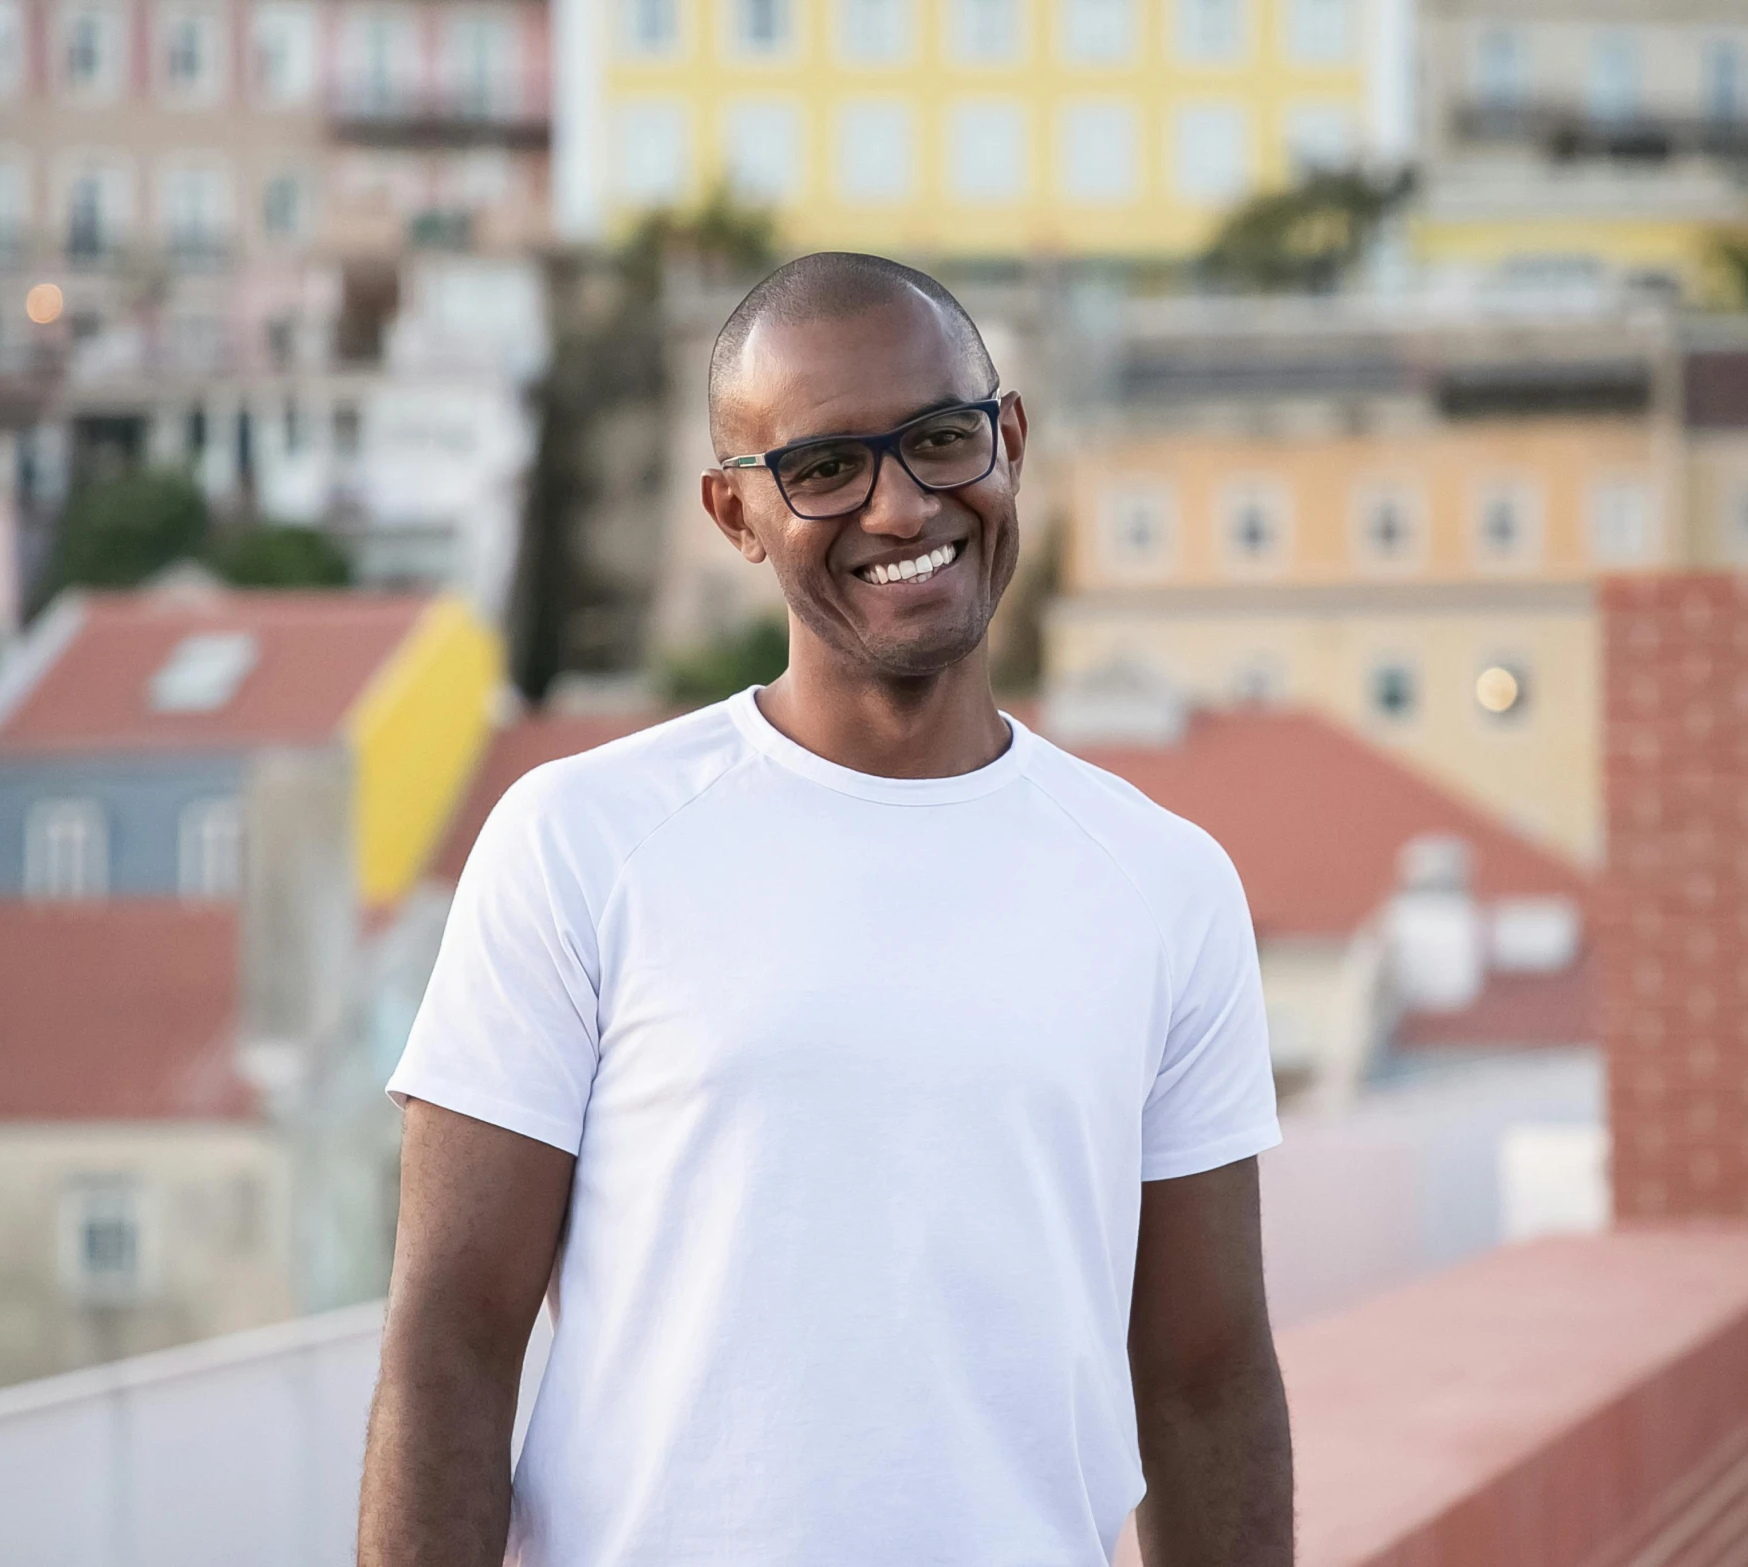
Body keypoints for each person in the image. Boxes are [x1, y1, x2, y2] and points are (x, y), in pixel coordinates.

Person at [360, 253, 1292, 1567]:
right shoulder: (578, 842)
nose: (901, 503)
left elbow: (1205, 1378)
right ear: (733, 514)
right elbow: (450, 1340)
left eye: (939, 437)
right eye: (822, 468)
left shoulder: (1164, 880)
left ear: (1009, 441)